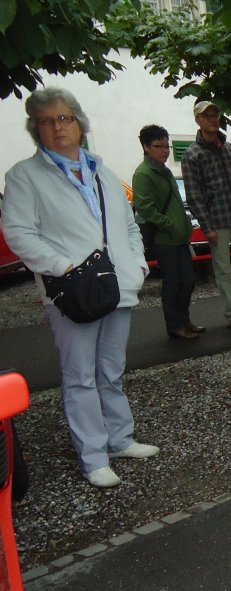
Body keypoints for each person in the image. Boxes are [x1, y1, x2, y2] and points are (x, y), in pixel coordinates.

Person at [1, 87, 158, 488]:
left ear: (79, 123)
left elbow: (128, 225)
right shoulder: (24, 176)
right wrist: (63, 268)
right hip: (71, 292)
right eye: (46, 121)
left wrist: (137, 266)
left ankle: (119, 439)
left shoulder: (103, 172)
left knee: (111, 370)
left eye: (63, 118)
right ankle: (93, 456)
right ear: (35, 129)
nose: (57, 127)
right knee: (80, 376)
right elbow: (19, 233)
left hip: (116, 288)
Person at [181, 100, 231, 330]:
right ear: (198, 121)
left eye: (215, 115)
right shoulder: (192, 155)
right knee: (223, 270)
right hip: (217, 222)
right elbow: (194, 195)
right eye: (207, 116)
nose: (213, 119)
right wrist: (207, 227)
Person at [133, 124, 203, 340]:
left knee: (188, 280)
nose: (164, 151)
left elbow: (175, 203)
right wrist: (170, 224)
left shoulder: (164, 170)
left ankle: (184, 320)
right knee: (173, 282)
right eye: (159, 146)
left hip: (178, 237)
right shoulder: (144, 173)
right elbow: (144, 208)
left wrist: (184, 224)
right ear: (146, 147)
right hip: (164, 239)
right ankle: (175, 326)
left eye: (167, 146)